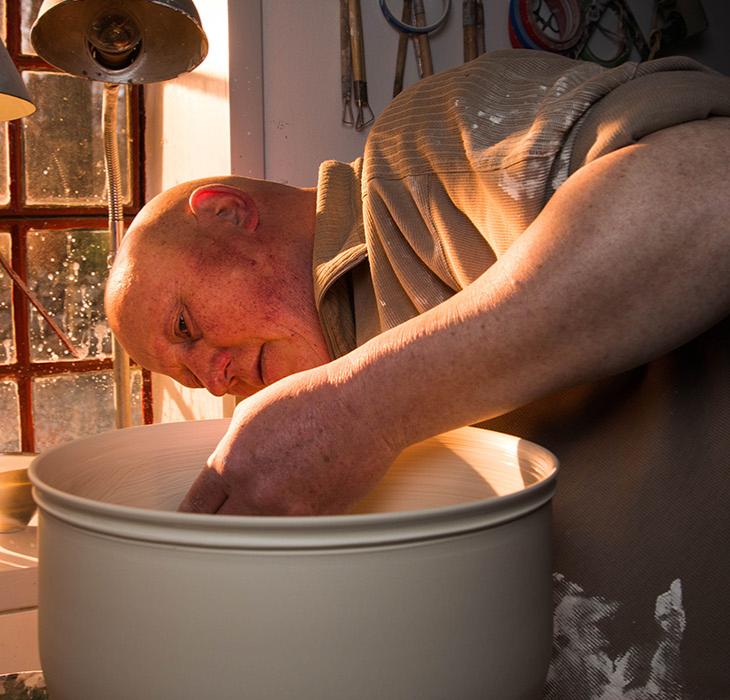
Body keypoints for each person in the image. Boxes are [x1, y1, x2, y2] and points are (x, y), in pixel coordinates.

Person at [105, 49, 730, 698]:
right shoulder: (295, 458)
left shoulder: (420, 156)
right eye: (191, 376)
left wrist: (363, 407)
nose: (214, 375)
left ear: (228, 214)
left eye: (186, 326)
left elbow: (714, 182)